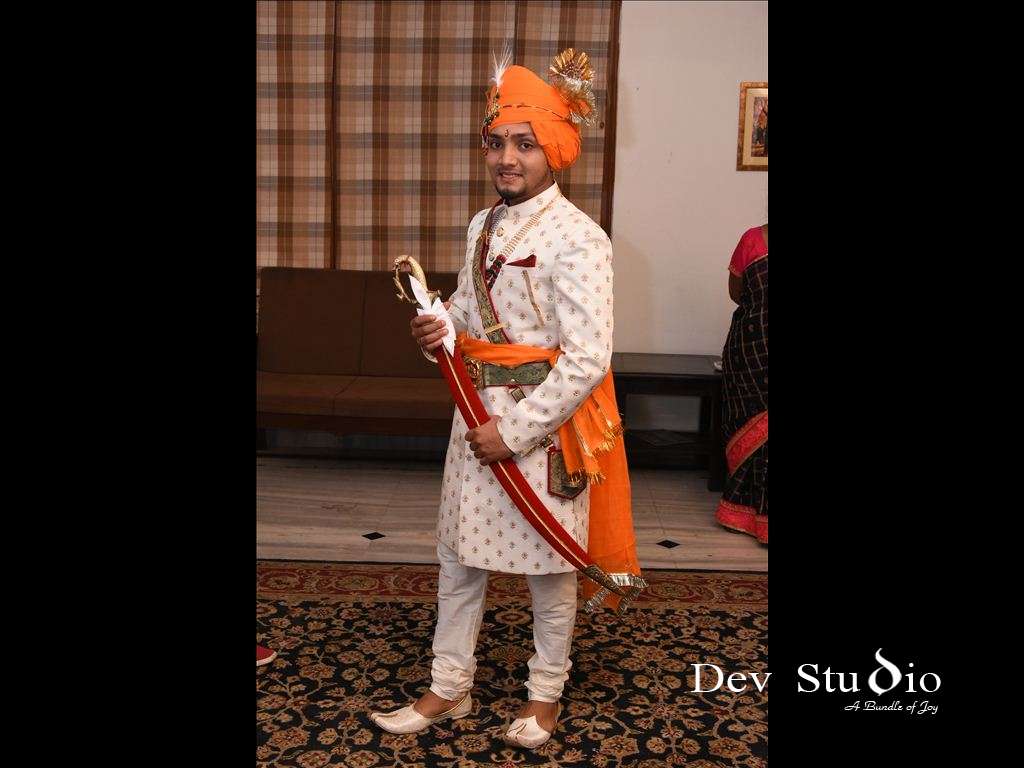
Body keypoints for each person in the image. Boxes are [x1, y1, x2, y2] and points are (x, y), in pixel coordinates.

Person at [370, 49, 641, 749]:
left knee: (551, 573)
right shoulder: (481, 224)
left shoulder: (581, 238)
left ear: (554, 149)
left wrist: (514, 431)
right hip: (472, 421)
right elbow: (469, 310)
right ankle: (448, 687)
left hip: (542, 432)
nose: (507, 158)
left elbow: (587, 358)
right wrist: (440, 324)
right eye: (497, 143)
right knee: (459, 562)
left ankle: (544, 696)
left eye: (524, 144)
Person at [717, 224, 768, 543]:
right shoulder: (752, 240)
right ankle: (743, 514)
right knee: (750, 425)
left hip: (752, 343)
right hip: (752, 352)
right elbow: (737, 294)